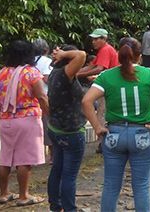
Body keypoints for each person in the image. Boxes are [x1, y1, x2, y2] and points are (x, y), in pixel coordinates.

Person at [82, 37, 150, 212]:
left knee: (111, 185)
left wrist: (97, 127)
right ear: (139, 56)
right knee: (141, 186)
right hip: (142, 134)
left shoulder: (106, 76)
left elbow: (86, 101)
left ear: (119, 54)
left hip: (114, 135)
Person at [0, 40, 48, 206]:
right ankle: (24, 195)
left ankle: (3, 193)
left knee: (6, 157)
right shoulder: (31, 72)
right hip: (27, 118)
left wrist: (0, 114)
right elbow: (41, 96)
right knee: (24, 159)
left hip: (6, 119)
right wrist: (48, 113)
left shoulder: (0, 73)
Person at [46, 45, 87, 212]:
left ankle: (56, 205)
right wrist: (63, 54)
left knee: (57, 168)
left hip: (56, 128)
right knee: (69, 175)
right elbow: (82, 55)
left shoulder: (54, 74)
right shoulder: (65, 74)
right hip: (71, 132)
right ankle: (70, 209)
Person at [76, 28, 119, 153]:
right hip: (107, 86)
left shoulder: (105, 50)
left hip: (108, 87)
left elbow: (99, 69)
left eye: (96, 39)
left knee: (101, 114)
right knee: (100, 113)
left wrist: (78, 75)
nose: (93, 42)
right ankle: (104, 142)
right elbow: (91, 65)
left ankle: (105, 143)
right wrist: (75, 71)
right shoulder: (103, 50)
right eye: (93, 39)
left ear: (104, 39)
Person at [33, 38, 53, 161]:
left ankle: (35, 155)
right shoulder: (47, 61)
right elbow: (47, 78)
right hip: (44, 95)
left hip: (31, 98)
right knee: (48, 125)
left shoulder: (28, 61)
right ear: (46, 49)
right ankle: (52, 156)